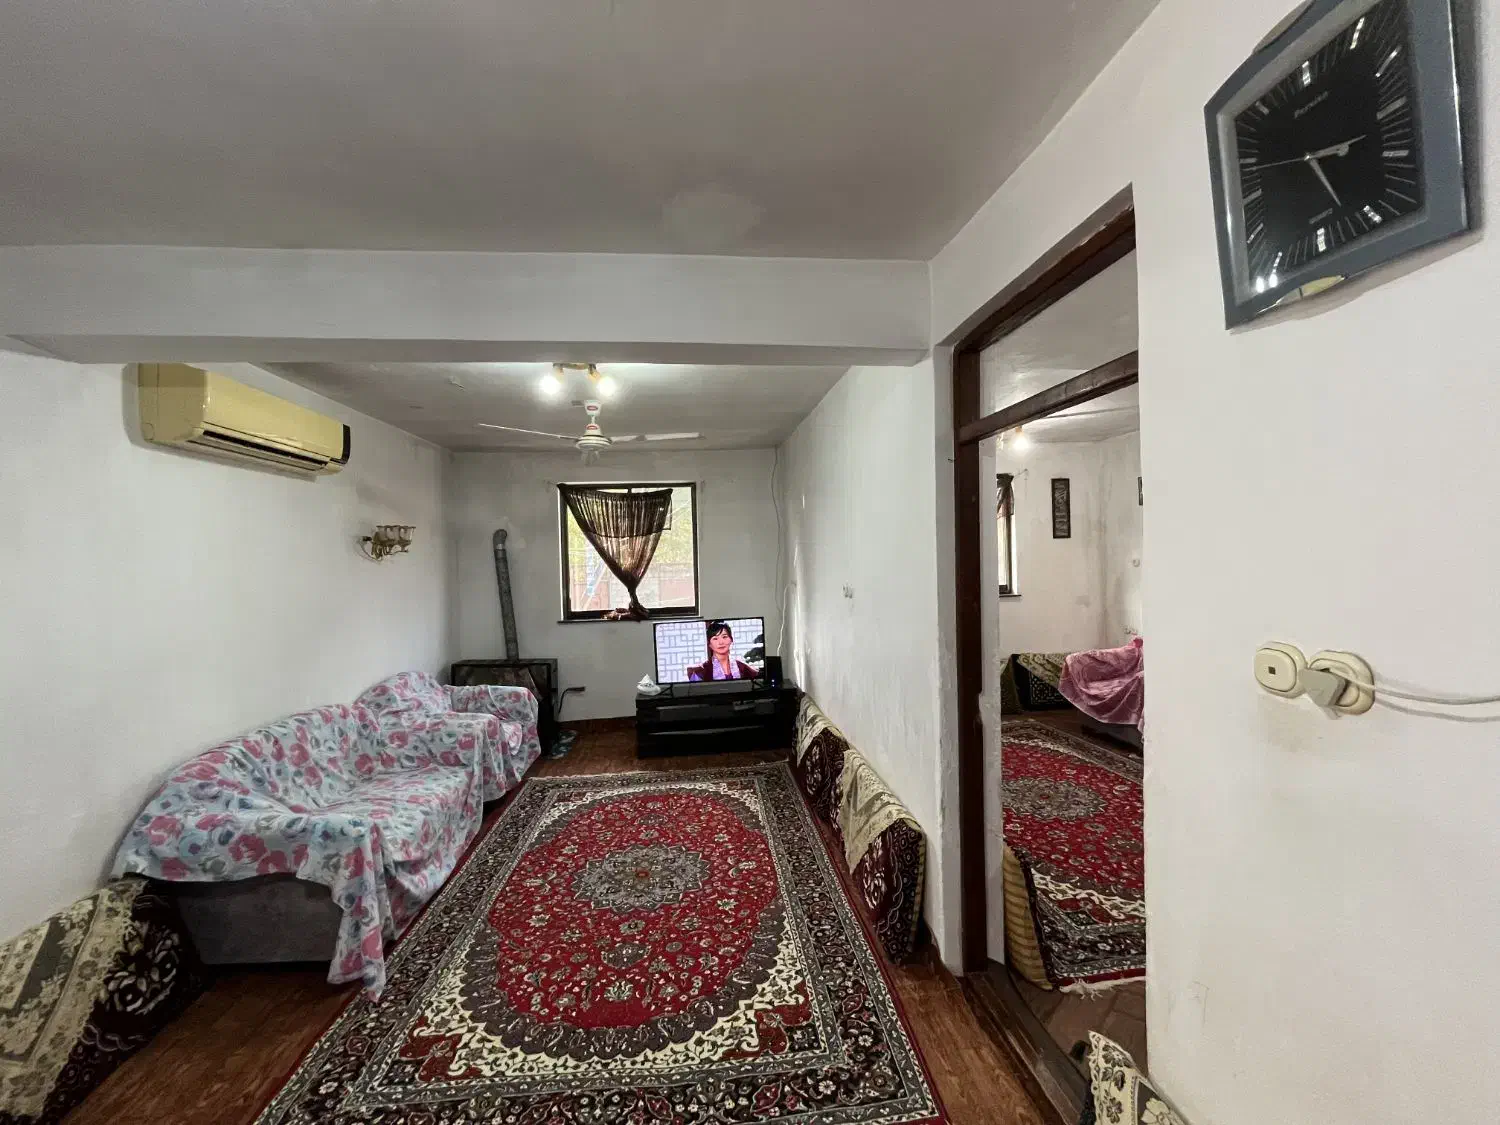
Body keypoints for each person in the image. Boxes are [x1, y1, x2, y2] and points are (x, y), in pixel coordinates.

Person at [686, 620, 759, 682]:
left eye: (724, 637)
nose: (721, 642)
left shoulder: (743, 668)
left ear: (731, 640)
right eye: (715, 638)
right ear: (709, 644)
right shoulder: (700, 671)